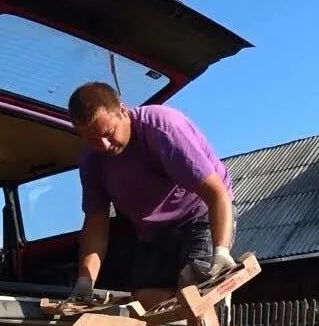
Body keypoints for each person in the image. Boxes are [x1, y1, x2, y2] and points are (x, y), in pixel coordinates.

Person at [66, 81, 236, 313]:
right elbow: (96, 222)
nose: (104, 145)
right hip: (154, 229)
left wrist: (222, 251)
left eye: (108, 133)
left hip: (199, 213)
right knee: (146, 299)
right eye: (92, 140)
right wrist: (85, 281)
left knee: (194, 289)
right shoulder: (91, 161)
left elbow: (217, 193)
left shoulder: (164, 130)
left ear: (123, 110)